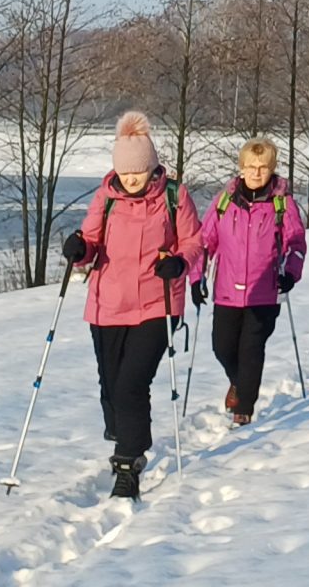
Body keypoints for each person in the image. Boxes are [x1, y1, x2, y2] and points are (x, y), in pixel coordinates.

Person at [66, 110, 204, 500]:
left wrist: (180, 263)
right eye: (125, 172)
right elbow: (90, 242)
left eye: (138, 171)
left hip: (157, 304)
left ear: (151, 167)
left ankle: (129, 462)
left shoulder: (174, 196)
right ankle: (125, 432)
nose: (131, 178)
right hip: (107, 304)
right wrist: (78, 249)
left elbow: (194, 242)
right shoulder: (105, 197)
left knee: (131, 384)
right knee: (111, 384)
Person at [194, 137, 306, 427]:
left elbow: (295, 242)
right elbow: (205, 241)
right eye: (251, 166)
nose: (257, 172)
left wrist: (290, 273)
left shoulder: (282, 203)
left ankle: (243, 408)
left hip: (265, 291)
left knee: (251, 350)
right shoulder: (224, 201)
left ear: (272, 168)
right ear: (241, 167)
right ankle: (238, 382)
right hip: (227, 290)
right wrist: (196, 277)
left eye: (263, 167)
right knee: (222, 347)